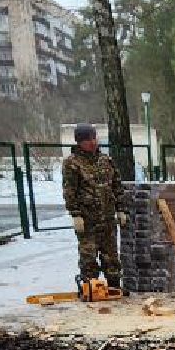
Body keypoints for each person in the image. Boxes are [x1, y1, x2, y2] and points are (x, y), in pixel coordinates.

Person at [61, 124, 125, 291]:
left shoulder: (106, 161)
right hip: (87, 220)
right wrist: (75, 214)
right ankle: (91, 288)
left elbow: (116, 186)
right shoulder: (72, 163)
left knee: (111, 257)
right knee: (88, 257)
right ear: (79, 142)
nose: (92, 142)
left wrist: (120, 209)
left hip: (108, 219)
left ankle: (114, 288)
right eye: (88, 139)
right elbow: (70, 191)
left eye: (94, 138)